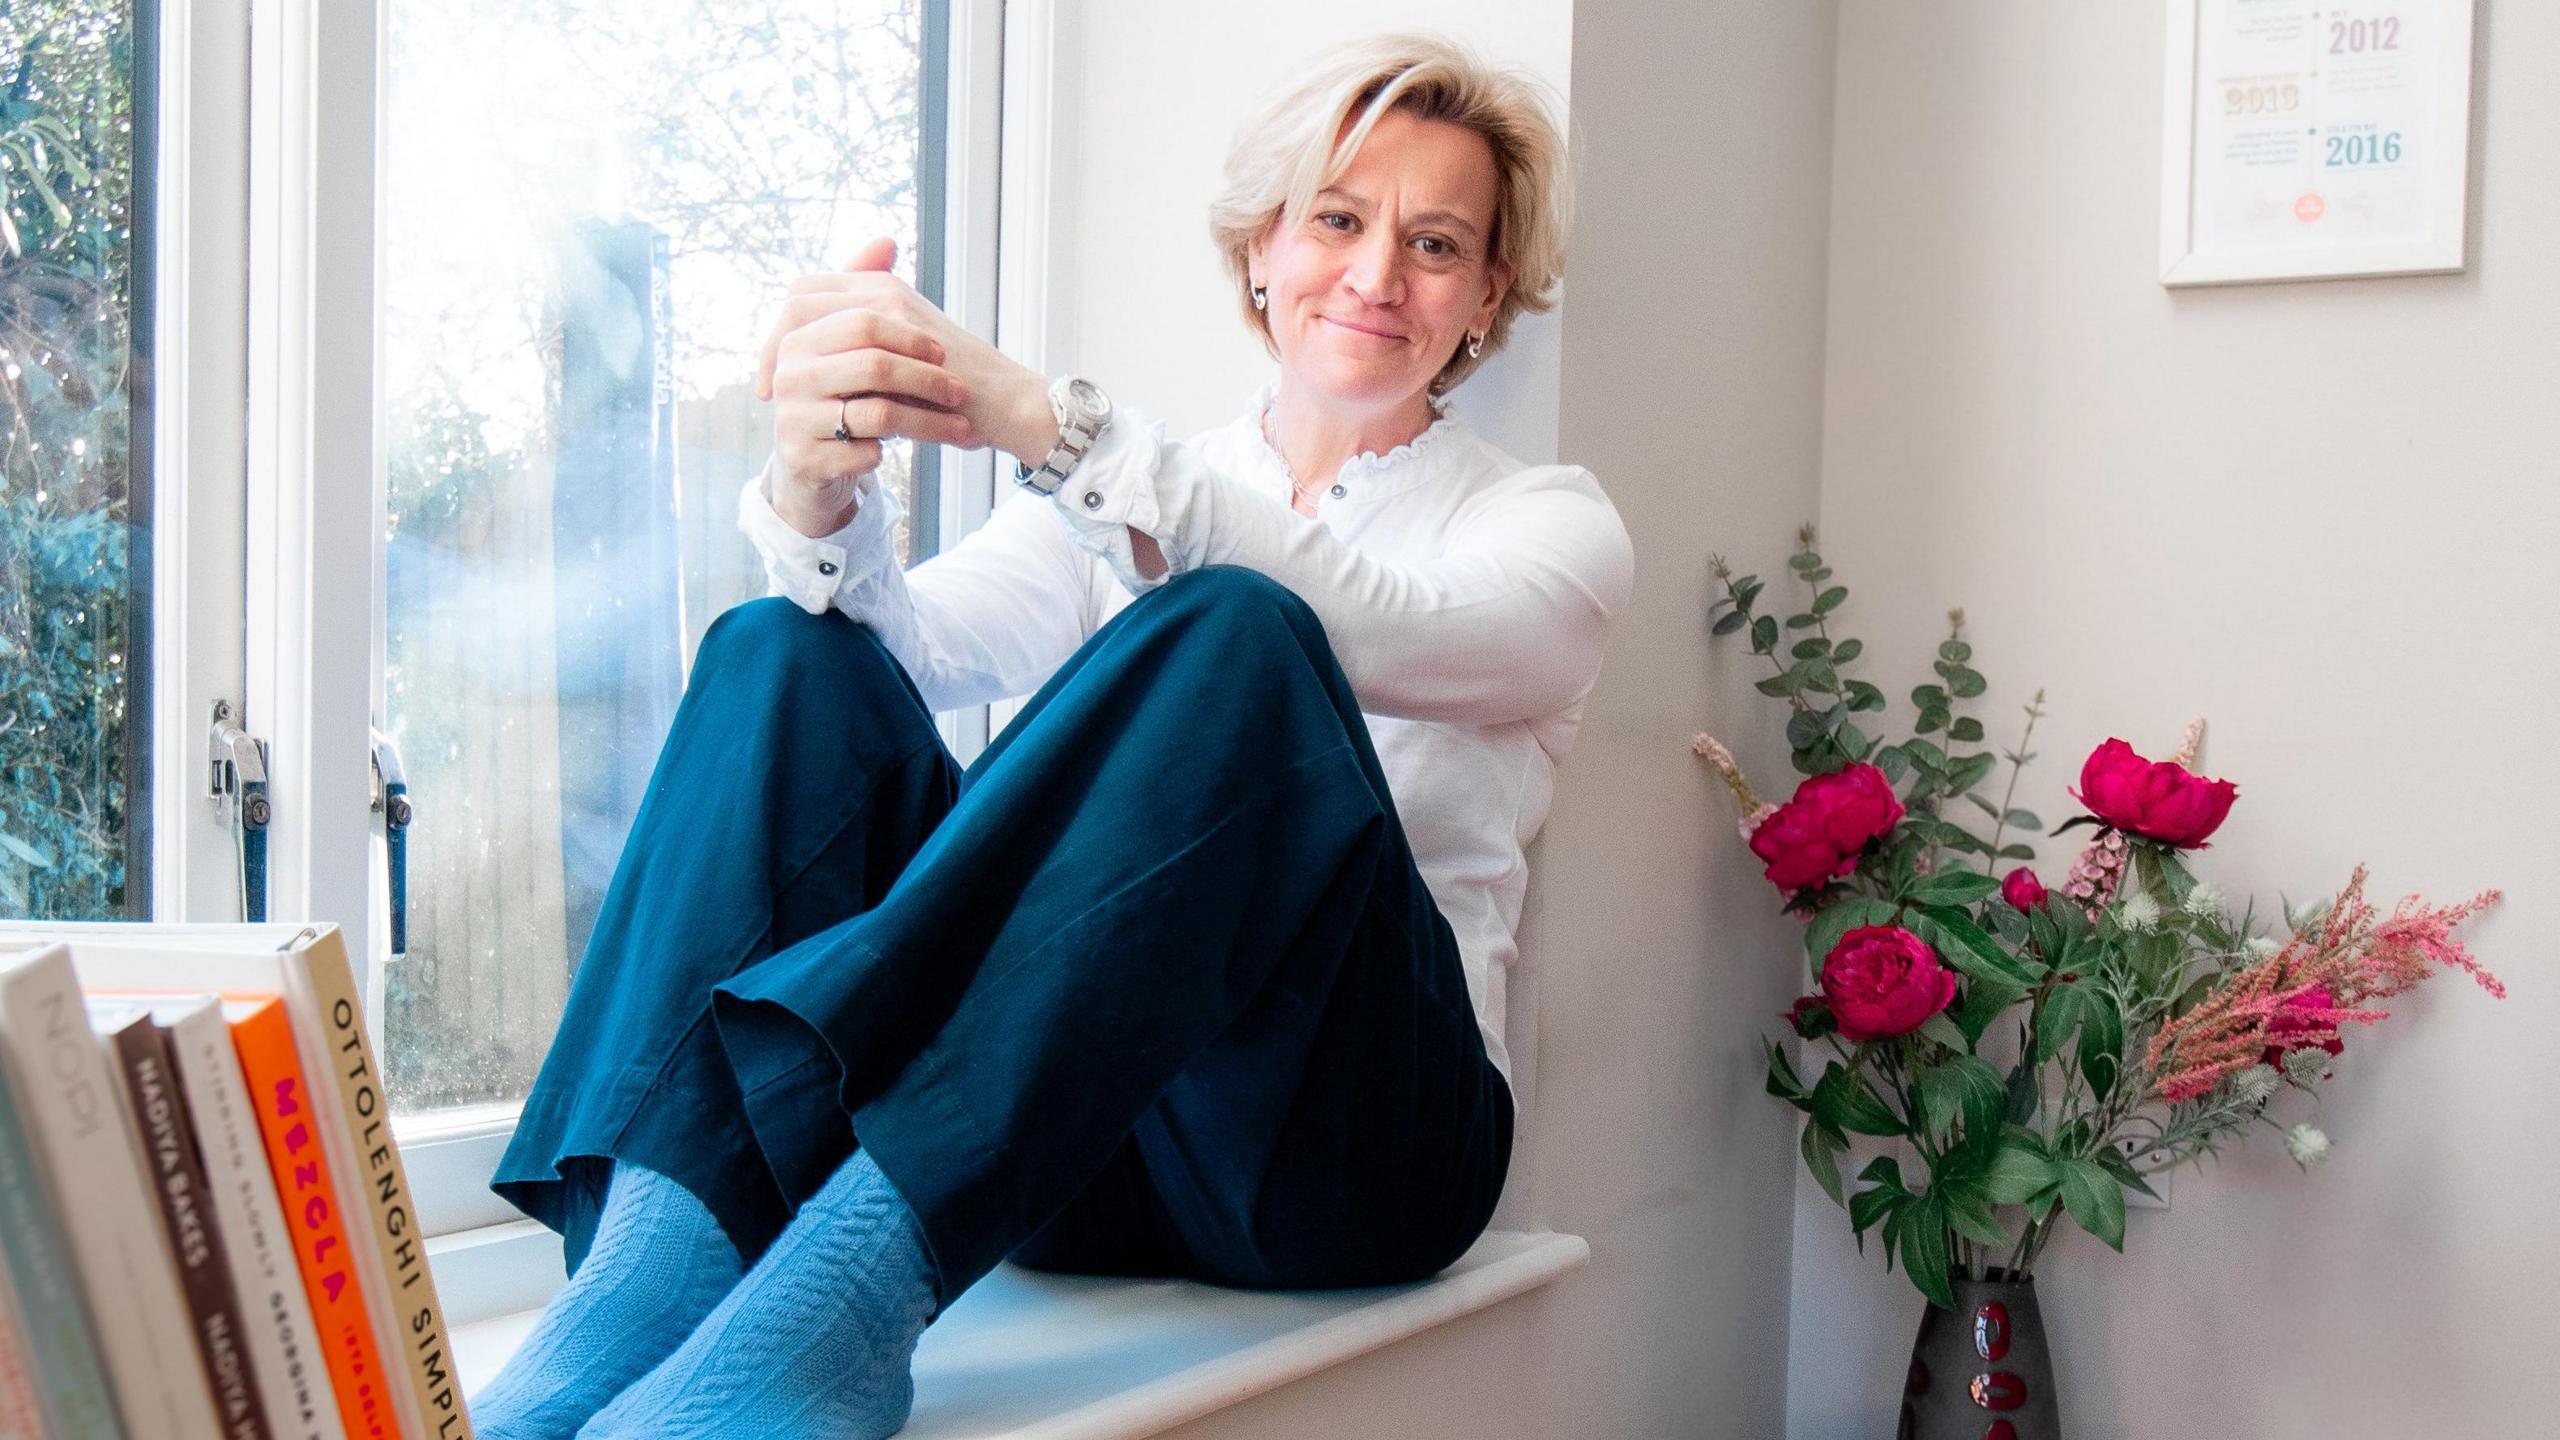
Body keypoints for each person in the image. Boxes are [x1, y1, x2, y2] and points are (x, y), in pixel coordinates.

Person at [470, 30, 1632, 1440]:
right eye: (1339, 219)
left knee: (1239, 638)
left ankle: (823, 1325)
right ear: (1264, 249)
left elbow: (1374, 623)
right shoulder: (1138, 496)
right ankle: (640, 1286)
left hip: (1352, 1154)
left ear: (1488, 294)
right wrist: (817, 488)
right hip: (1081, 1145)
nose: (1379, 275)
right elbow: (900, 659)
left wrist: (1043, 420)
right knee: (782, 649)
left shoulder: (1550, 527)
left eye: (1436, 243)